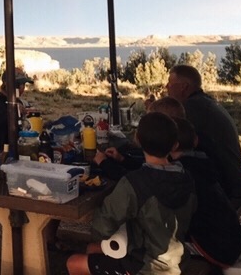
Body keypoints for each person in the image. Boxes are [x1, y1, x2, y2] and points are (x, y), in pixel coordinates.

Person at [66, 112, 197, 275]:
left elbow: (102, 227)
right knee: (93, 249)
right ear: (175, 145)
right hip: (178, 262)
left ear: (137, 139)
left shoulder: (134, 183)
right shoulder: (188, 178)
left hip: (145, 267)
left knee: (74, 263)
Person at [166, 64, 241, 211]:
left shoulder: (192, 108)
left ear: (183, 87)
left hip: (228, 189)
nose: (166, 87)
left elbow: (165, 140)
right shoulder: (204, 102)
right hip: (236, 183)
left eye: (170, 84)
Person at [170, 117, 241, 270]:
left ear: (170, 146)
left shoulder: (181, 173)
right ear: (196, 140)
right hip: (232, 239)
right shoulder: (202, 162)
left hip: (214, 249)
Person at [91, 97, 186, 181]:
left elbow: (131, 179)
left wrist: (103, 163)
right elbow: (144, 165)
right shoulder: (177, 164)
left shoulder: (169, 165)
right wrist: (122, 158)